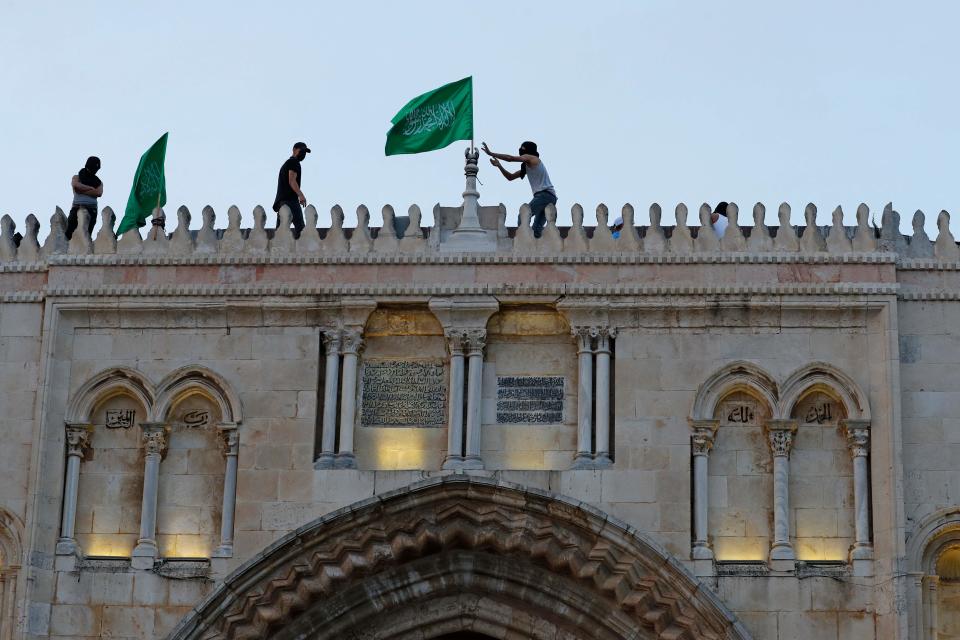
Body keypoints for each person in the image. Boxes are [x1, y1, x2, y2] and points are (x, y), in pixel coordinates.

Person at [481, 141, 556, 238]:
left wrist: (491, 153)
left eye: (523, 149)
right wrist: (499, 165)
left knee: (523, 217)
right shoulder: (527, 166)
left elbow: (510, 158)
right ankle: (533, 248)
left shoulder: (532, 158)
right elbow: (510, 177)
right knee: (537, 229)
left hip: (544, 195)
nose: (521, 151)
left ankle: (523, 240)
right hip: (550, 197)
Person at [273, 142, 310, 234]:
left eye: (305, 152)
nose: (303, 154)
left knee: (279, 233)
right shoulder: (294, 162)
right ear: (294, 150)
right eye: (302, 151)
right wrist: (301, 195)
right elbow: (292, 180)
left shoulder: (286, 164)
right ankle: (300, 247)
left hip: (282, 202)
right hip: (290, 201)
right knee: (301, 230)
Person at [66, 156, 102, 239]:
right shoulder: (77, 177)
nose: (95, 171)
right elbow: (75, 185)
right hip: (77, 208)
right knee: (69, 234)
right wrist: (90, 188)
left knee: (86, 236)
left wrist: (81, 189)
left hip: (91, 210)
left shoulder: (98, 182)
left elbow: (99, 193)